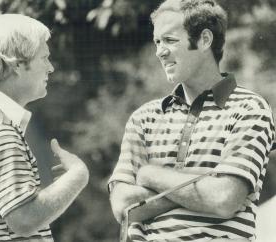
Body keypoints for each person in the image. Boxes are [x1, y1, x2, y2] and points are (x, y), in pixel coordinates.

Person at [108, 0, 275, 241]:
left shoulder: (249, 108)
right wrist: (201, 186)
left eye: (170, 40)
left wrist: (149, 175)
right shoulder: (143, 118)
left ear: (205, 40)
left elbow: (223, 199)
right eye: (157, 41)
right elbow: (123, 207)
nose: (160, 51)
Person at [0, 14, 89, 242]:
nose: (51, 68)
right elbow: (24, 219)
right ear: (17, 64)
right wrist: (77, 176)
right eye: (44, 58)